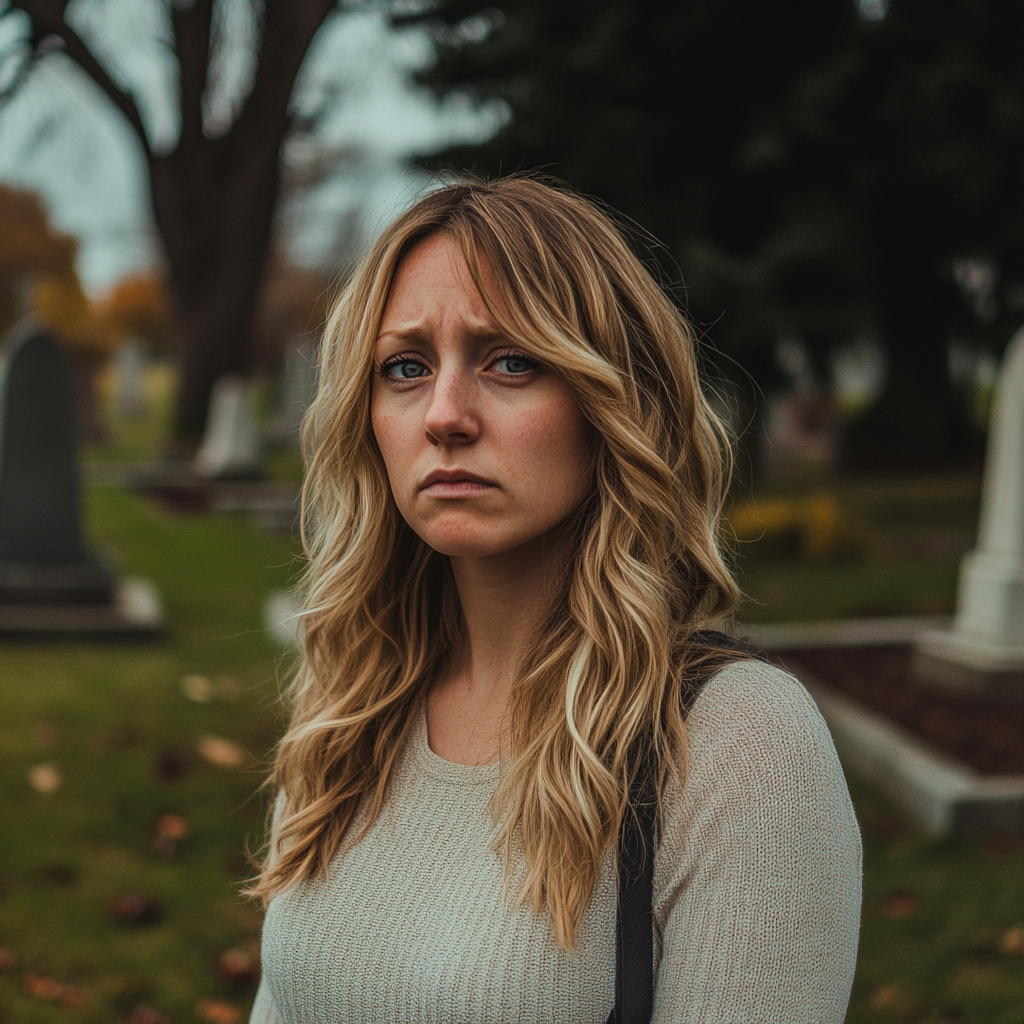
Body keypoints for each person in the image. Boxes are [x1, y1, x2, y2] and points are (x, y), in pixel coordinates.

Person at [248, 177, 861, 1024]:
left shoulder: (737, 746)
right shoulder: (349, 714)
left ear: (615, 401)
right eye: (406, 367)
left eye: (511, 361)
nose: (445, 415)